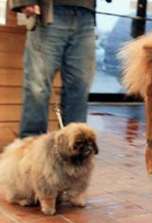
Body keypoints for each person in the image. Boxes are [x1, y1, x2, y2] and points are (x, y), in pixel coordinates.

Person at [11, 0, 96, 138]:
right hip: (49, 12)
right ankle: (31, 152)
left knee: (80, 87)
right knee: (37, 88)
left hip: (86, 15)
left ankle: (75, 151)